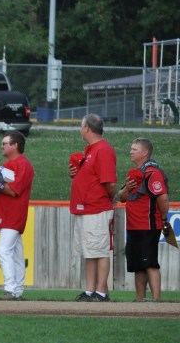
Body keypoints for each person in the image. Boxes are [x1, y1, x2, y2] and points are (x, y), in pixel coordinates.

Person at [67, 113, 117, 302]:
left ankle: (101, 291)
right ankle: (90, 291)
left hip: (96, 208)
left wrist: (109, 198)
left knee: (99, 250)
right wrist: (76, 175)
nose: (81, 130)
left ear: (87, 128)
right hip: (86, 208)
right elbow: (91, 177)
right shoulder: (91, 150)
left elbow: (110, 183)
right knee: (90, 251)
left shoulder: (102, 149)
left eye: (82, 127)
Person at [117, 138, 170, 302]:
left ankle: (156, 301)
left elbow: (163, 198)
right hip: (133, 226)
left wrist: (163, 218)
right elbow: (121, 197)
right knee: (138, 265)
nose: (130, 152)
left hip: (148, 226)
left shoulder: (153, 172)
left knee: (150, 263)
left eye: (134, 149)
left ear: (145, 152)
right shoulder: (135, 173)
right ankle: (140, 301)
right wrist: (127, 188)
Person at [0, 130, 34, 300]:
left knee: (3, 250)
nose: (2, 146)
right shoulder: (8, 165)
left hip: (13, 214)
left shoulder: (23, 164)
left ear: (15, 146)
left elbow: (13, 191)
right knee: (16, 255)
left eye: (5, 143)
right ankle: (17, 291)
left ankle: (10, 289)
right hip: (7, 214)